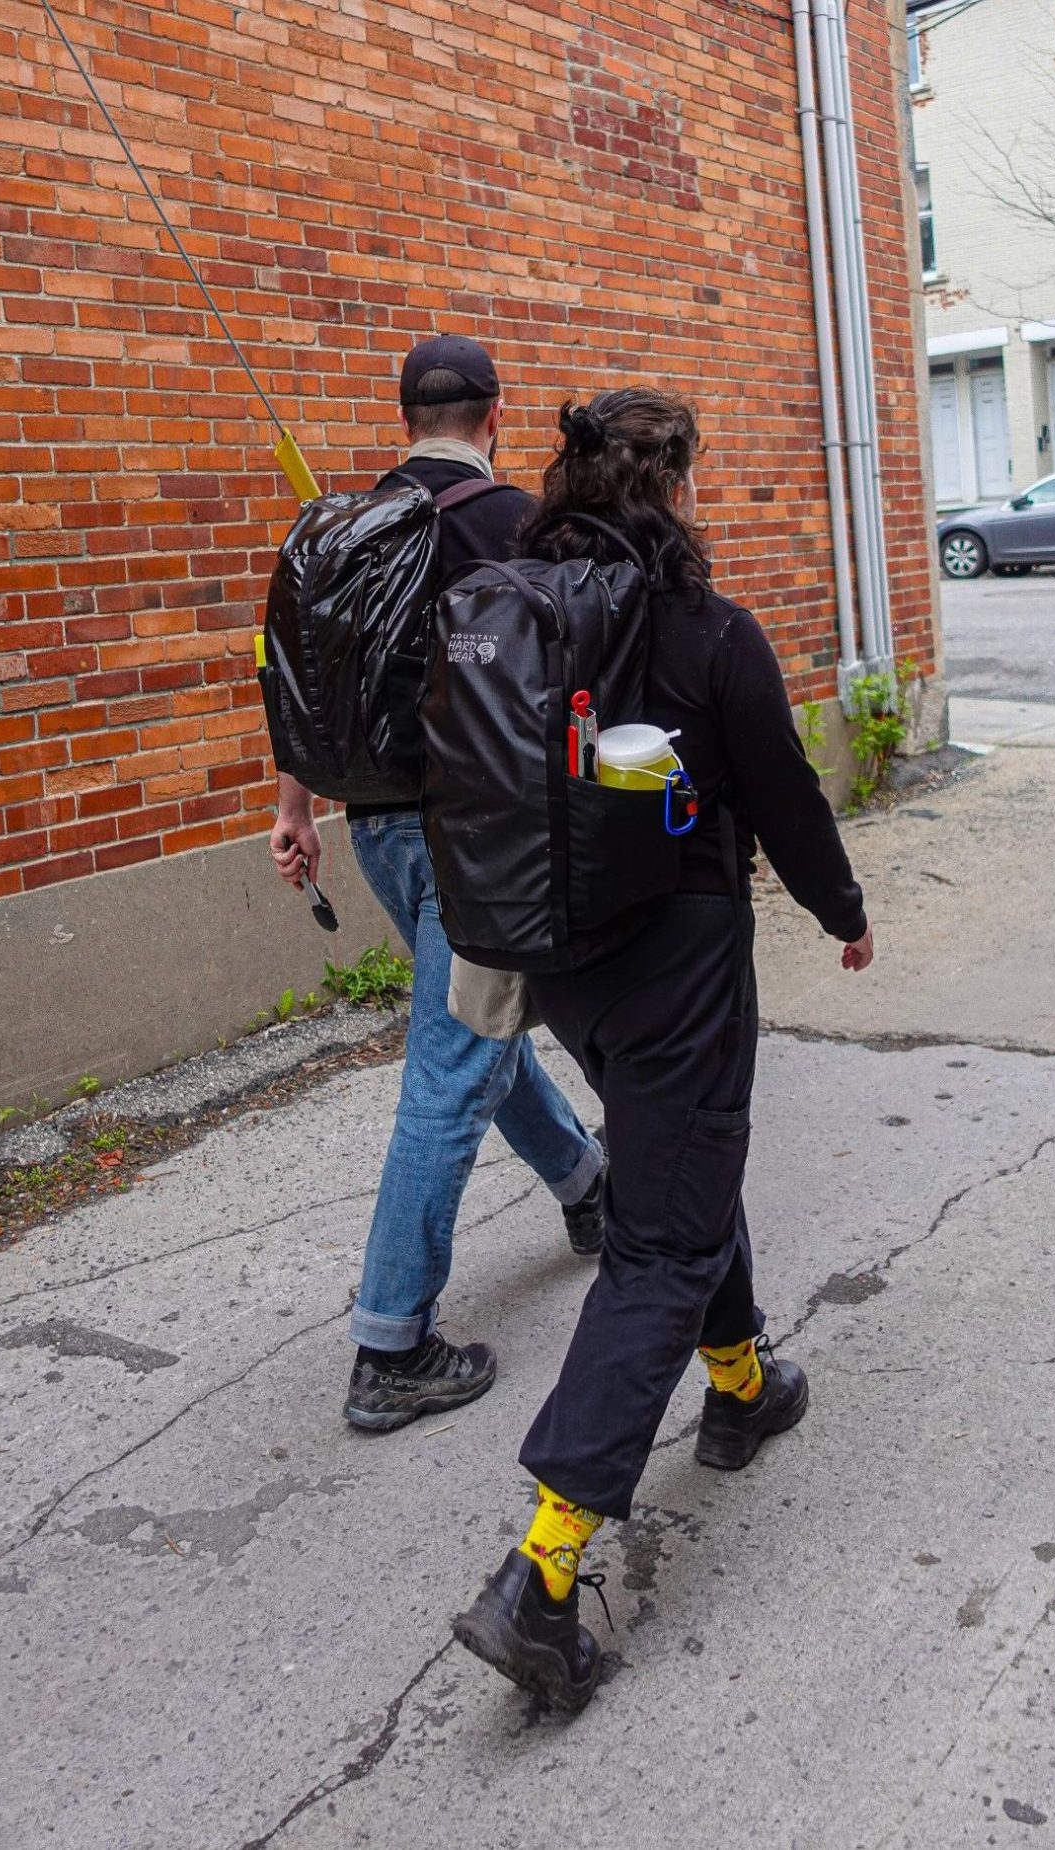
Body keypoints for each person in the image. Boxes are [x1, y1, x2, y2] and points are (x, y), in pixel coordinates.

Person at [452, 387, 875, 1712]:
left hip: (558, 960)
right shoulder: (707, 629)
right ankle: (540, 1574)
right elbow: (784, 795)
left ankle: (741, 1385)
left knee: (675, 1156)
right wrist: (844, 912)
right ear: (677, 485)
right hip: (677, 961)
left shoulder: (513, 607)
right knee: (661, 1238)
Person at [269, 335, 607, 1434]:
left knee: (473, 1021)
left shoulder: (349, 527)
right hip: (478, 838)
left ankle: (586, 1186)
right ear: (494, 415)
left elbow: (300, 678)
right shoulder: (518, 524)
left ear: (405, 416)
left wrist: (292, 809)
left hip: (373, 826)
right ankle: (391, 1345)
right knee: (454, 1066)